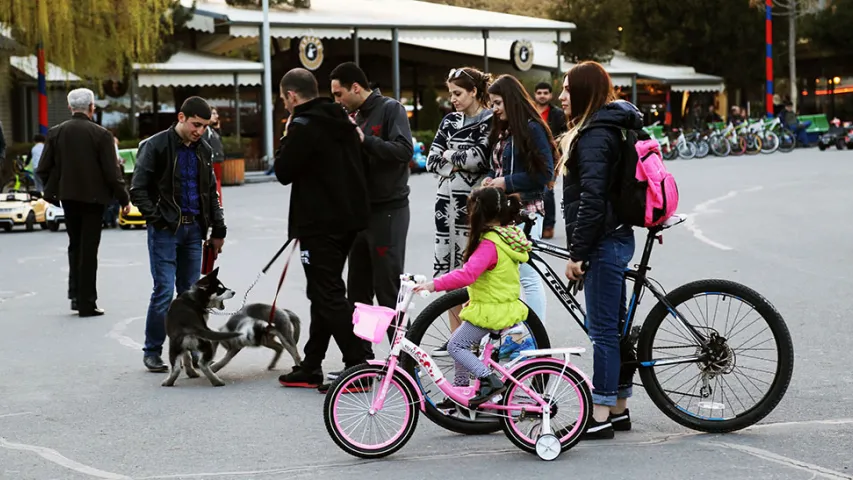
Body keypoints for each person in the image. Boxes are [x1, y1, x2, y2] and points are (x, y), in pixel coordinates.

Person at [557, 61, 643, 439]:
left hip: (604, 239)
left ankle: (601, 413)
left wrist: (577, 252)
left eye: (567, 89)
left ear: (585, 92)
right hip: (617, 234)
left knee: (603, 331)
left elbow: (591, 199)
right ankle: (620, 408)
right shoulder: (610, 125)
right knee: (616, 328)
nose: (561, 96)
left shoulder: (594, 134)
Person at [273, 68, 371, 389]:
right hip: (348, 221)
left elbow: (284, 171)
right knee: (321, 291)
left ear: (291, 95)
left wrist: (286, 135)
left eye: (284, 99)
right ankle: (311, 363)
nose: (285, 105)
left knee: (327, 294)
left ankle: (357, 365)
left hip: (319, 224)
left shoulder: (302, 125)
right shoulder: (341, 119)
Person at [130, 96, 227, 373]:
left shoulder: (204, 148)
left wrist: (218, 230)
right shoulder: (156, 145)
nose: (200, 131)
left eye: (205, 126)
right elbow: (138, 189)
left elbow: (211, 194)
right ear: (182, 117)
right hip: (165, 231)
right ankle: (152, 351)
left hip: (195, 230)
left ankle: (192, 352)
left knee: (190, 294)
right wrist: (159, 219)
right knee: (163, 292)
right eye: (196, 124)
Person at [329, 62, 413, 370]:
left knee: (387, 289)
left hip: (389, 211)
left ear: (355, 87)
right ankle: (361, 361)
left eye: (339, 94)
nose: (337, 100)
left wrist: (366, 141)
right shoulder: (353, 117)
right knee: (359, 292)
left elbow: (405, 152)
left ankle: (403, 362)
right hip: (360, 215)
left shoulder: (391, 109)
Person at [414, 187, 531, 406]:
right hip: (499, 304)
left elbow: (467, 274)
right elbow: (494, 278)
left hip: (492, 311)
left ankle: (488, 380)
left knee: (455, 346)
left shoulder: (489, 244)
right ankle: (459, 390)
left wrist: (433, 285)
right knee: (461, 342)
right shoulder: (506, 236)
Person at [36, 88, 130, 317]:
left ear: (70, 107)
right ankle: (87, 301)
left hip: (68, 198)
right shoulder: (101, 135)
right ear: (92, 107)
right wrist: (123, 198)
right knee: (89, 250)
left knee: (74, 245)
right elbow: (112, 172)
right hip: (94, 199)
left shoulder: (56, 133)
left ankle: (75, 295)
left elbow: (42, 169)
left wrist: (56, 190)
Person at [426, 66, 494, 356]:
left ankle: (473, 337)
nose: (452, 99)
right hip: (445, 205)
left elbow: (480, 158)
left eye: (458, 93)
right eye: (450, 93)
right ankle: (456, 338)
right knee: (450, 271)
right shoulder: (449, 120)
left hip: (473, 206)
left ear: (474, 92)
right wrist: (455, 160)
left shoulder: (490, 120)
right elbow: (431, 159)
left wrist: (449, 156)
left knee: (472, 272)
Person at [483, 74, 556, 325]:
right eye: (492, 103)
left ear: (511, 100)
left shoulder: (532, 128)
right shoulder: (504, 130)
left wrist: (506, 182)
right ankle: (520, 333)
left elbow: (545, 174)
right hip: (506, 213)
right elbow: (498, 167)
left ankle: (537, 340)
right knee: (511, 276)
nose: (494, 109)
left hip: (527, 211)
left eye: (498, 103)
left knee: (528, 275)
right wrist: (492, 178)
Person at [533, 81, 567, 240]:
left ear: (550, 95)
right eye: (539, 93)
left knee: (547, 192)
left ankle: (548, 225)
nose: (542, 95)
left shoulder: (558, 114)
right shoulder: (529, 111)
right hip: (531, 158)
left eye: (545, 93)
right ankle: (533, 224)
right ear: (535, 94)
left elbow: (564, 136)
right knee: (533, 191)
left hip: (550, 158)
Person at [207, 107, 225, 204]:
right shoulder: (205, 130)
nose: (216, 116)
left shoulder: (212, 130)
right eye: (213, 113)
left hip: (216, 161)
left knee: (217, 184)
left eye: (216, 114)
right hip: (211, 162)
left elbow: (218, 142)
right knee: (214, 185)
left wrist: (217, 129)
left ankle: (218, 205)